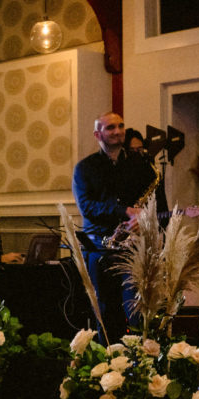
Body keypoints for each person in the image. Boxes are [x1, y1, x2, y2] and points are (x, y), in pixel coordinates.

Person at [71, 112, 167, 343]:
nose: (117, 131)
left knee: (137, 309)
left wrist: (144, 221)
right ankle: (108, 363)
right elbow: (87, 208)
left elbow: (160, 207)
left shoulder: (142, 165)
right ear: (98, 134)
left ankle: (139, 363)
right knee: (105, 310)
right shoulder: (85, 168)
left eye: (121, 126)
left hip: (134, 246)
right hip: (100, 247)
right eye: (110, 127)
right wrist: (123, 211)